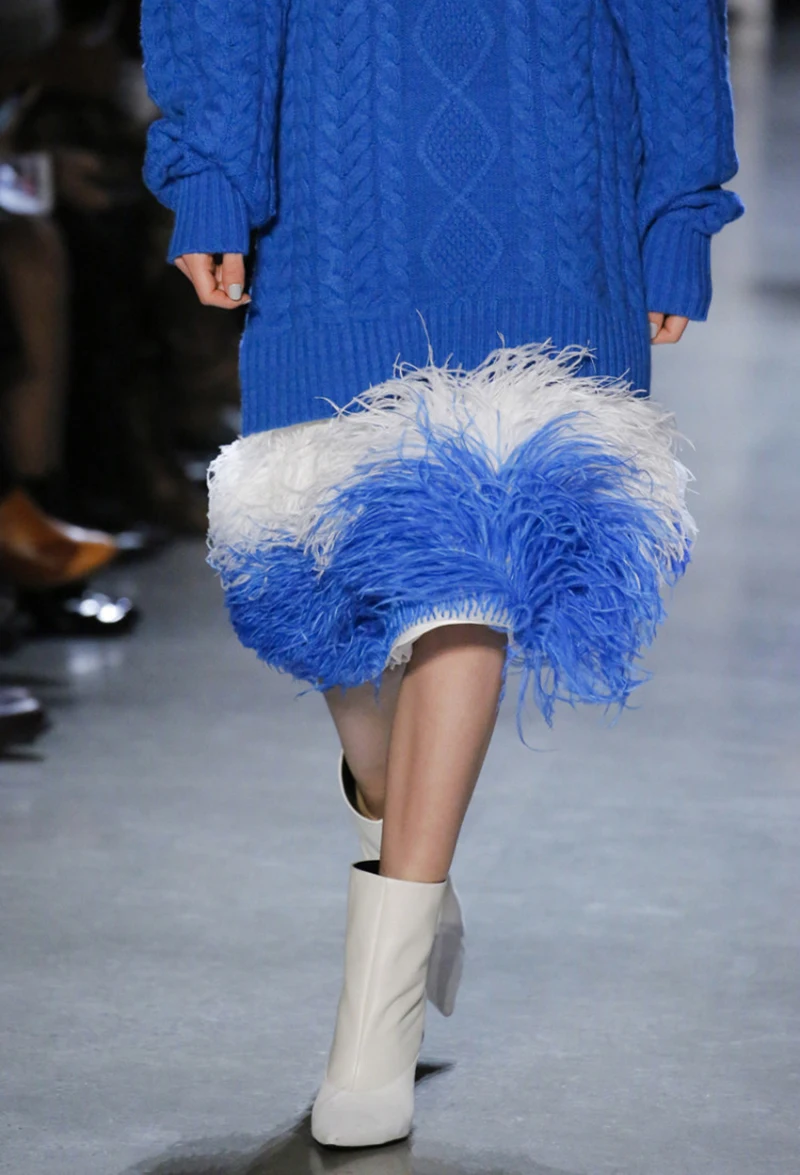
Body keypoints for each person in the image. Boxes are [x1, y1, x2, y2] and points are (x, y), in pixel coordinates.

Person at [141, 0, 743, 1150]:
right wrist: (211, 174)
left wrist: (677, 202)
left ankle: (372, 1030)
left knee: (473, 566)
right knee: (317, 559)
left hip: (552, 167)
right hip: (331, 162)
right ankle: (400, 827)